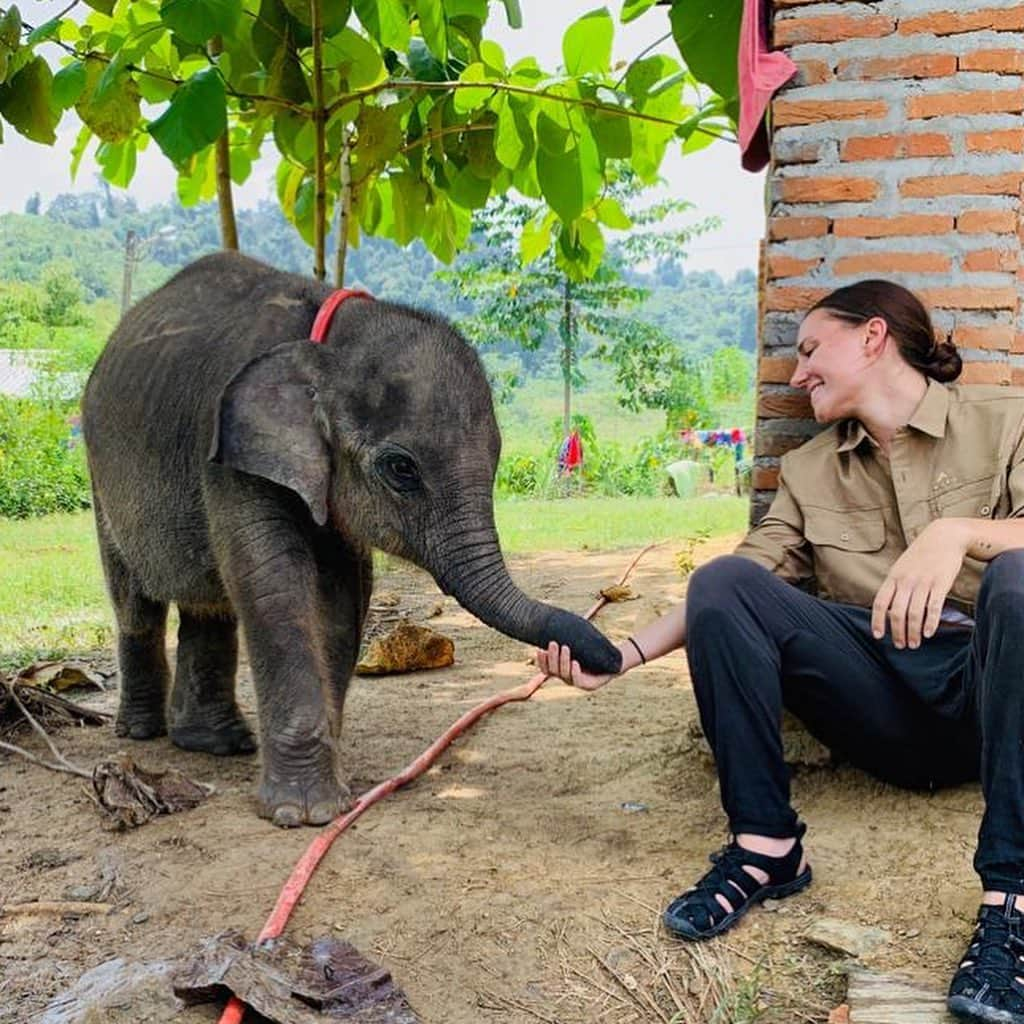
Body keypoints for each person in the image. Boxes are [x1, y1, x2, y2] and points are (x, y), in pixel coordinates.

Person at [536, 279, 1024, 1024]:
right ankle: (767, 846)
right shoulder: (809, 471)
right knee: (726, 580)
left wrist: (956, 532)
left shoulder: (1007, 420)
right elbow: (733, 592)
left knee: (1018, 580)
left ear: (871, 337)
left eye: (809, 350)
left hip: (994, 695)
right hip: (883, 704)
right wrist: (621, 654)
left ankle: (1011, 904)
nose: (797, 375)